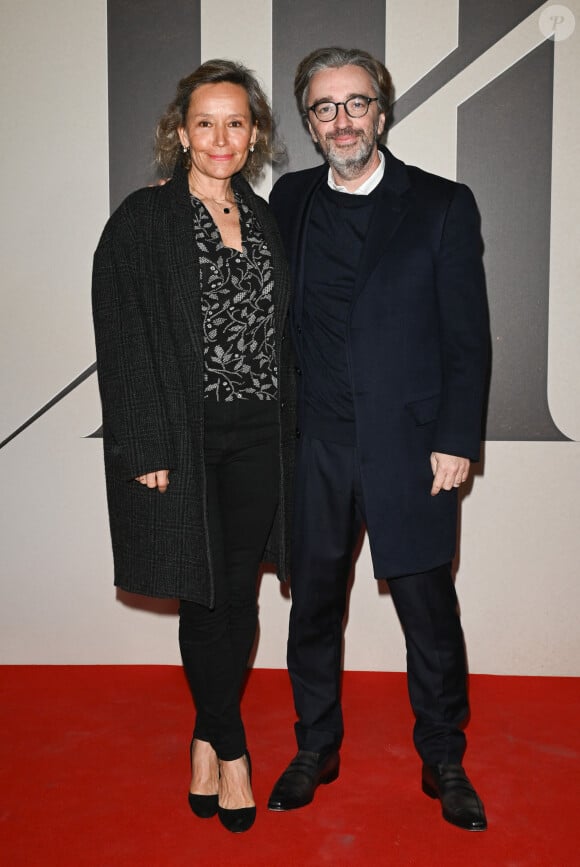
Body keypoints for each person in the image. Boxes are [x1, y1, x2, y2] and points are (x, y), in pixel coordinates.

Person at [266, 47, 490, 832]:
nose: (342, 120)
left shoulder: (440, 204)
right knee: (314, 607)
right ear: (310, 123)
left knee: (429, 609)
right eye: (325, 108)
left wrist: (458, 435)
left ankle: (443, 756)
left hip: (411, 446)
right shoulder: (287, 198)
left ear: (382, 113)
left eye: (356, 103)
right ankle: (314, 745)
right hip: (315, 445)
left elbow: (469, 338)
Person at [92, 59, 295, 834]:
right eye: (205, 122)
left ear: (254, 135)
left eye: (236, 122)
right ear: (181, 133)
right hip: (184, 434)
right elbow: (123, 335)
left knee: (233, 592)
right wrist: (144, 439)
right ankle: (234, 748)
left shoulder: (265, 217)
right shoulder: (143, 220)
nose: (221, 136)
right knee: (202, 588)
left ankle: (203, 739)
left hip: (258, 435)